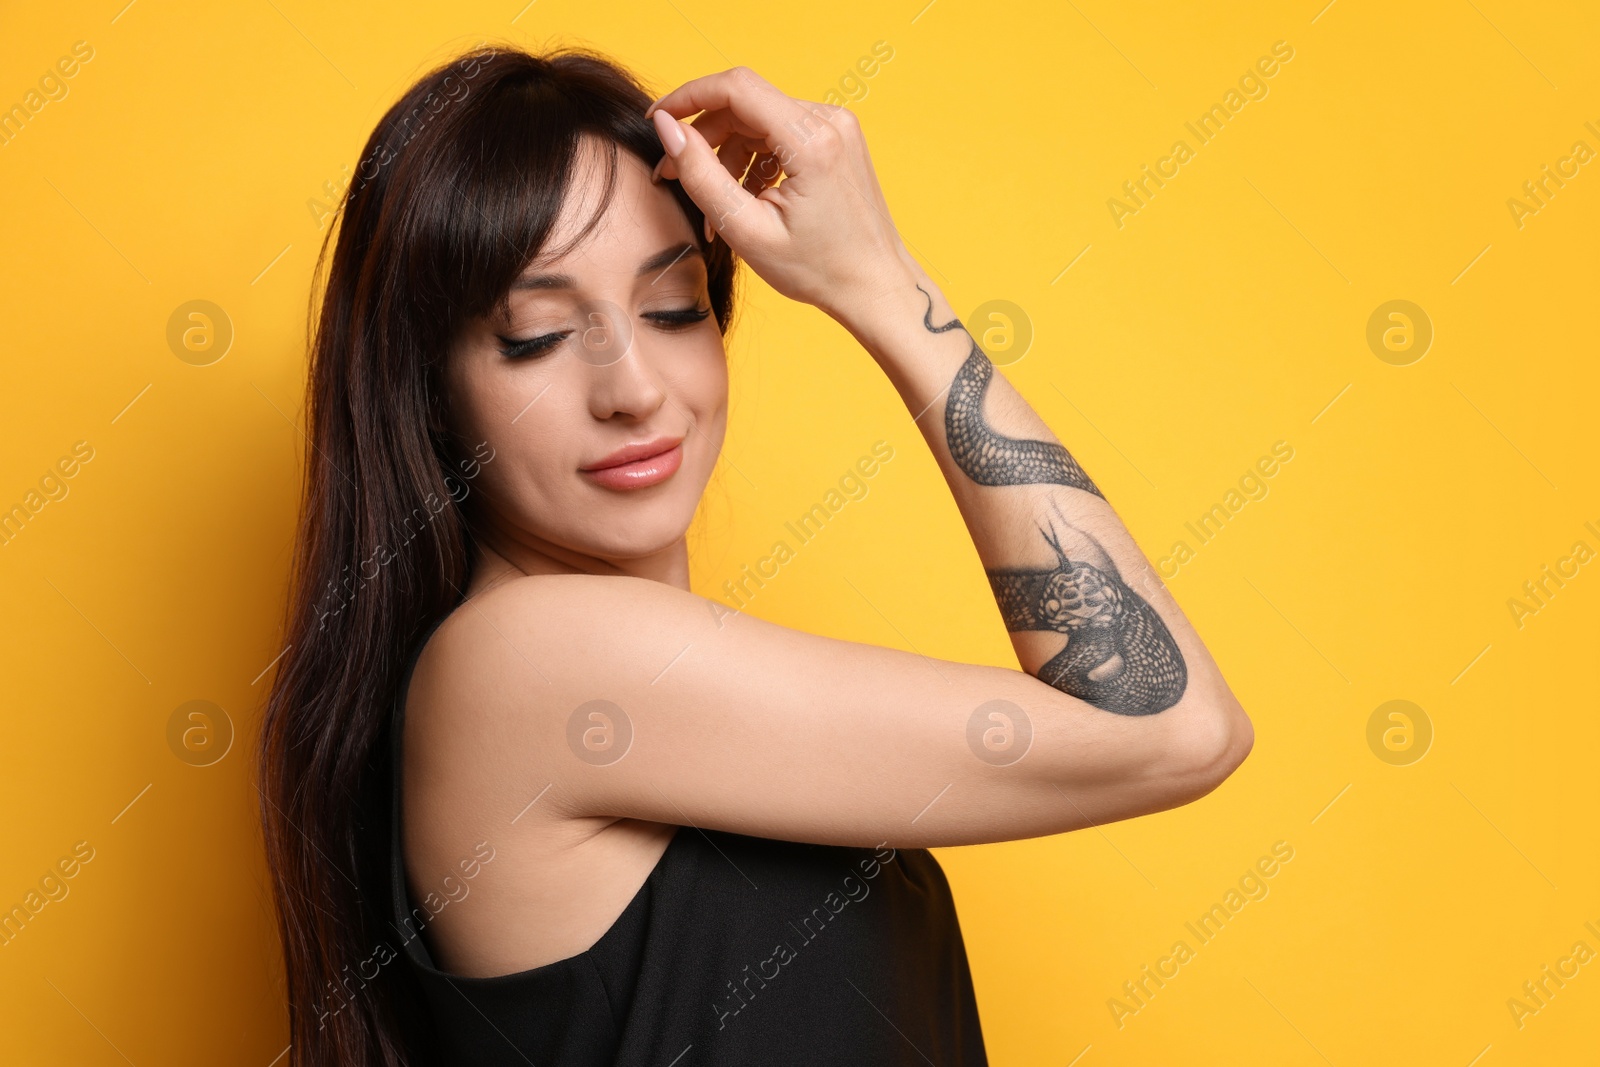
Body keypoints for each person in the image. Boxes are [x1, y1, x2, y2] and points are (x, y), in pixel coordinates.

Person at [257, 43, 1253, 1067]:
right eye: (538, 334)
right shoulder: (530, 657)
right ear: (427, 390)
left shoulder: (661, 706)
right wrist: (877, 280)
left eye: (673, 305)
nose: (633, 385)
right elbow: (1175, 727)